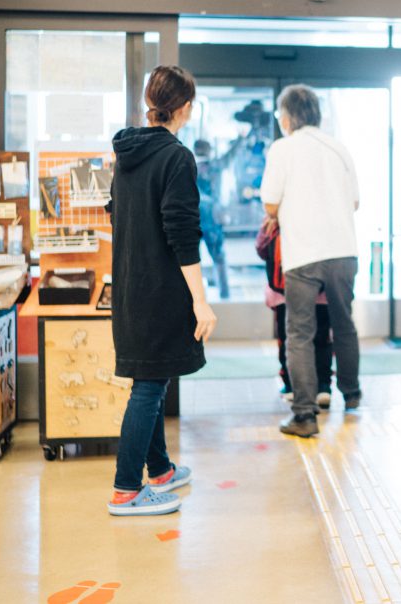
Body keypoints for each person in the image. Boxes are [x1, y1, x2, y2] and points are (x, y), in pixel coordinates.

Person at [107, 65, 217, 516]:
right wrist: (201, 300)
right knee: (149, 386)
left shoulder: (126, 154)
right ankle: (126, 489)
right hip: (160, 290)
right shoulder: (177, 157)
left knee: (149, 376)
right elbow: (182, 234)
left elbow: (117, 214)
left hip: (130, 287)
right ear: (185, 107)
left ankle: (162, 471)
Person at [260, 84, 362, 438]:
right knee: (344, 324)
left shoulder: (283, 148)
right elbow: (354, 203)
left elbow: (270, 204)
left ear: (287, 116)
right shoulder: (340, 148)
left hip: (303, 254)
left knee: (299, 332)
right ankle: (351, 395)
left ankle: (304, 415)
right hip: (344, 252)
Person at [254, 215, 335, 406]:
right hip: (320, 290)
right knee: (321, 337)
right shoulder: (322, 214)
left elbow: (261, 248)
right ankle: (323, 386)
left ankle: (291, 385)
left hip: (285, 290)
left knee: (290, 337)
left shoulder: (277, 215)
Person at [193, 139, 231, 300]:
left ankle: (196, 297)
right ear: (208, 150)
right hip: (213, 220)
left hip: (194, 218)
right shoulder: (215, 166)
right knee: (219, 258)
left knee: (193, 260)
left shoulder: (188, 167)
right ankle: (225, 295)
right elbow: (230, 156)